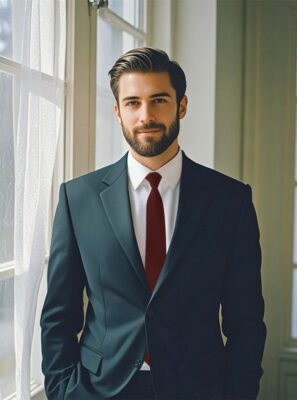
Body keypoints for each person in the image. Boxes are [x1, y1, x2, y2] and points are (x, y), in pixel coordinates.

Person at [40, 47, 266, 400]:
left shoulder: (230, 201)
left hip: (200, 388)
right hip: (98, 389)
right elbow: (58, 316)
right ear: (117, 112)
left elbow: (246, 321)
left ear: (182, 106)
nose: (146, 115)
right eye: (132, 103)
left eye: (159, 100)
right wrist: (62, 391)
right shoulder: (77, 198)